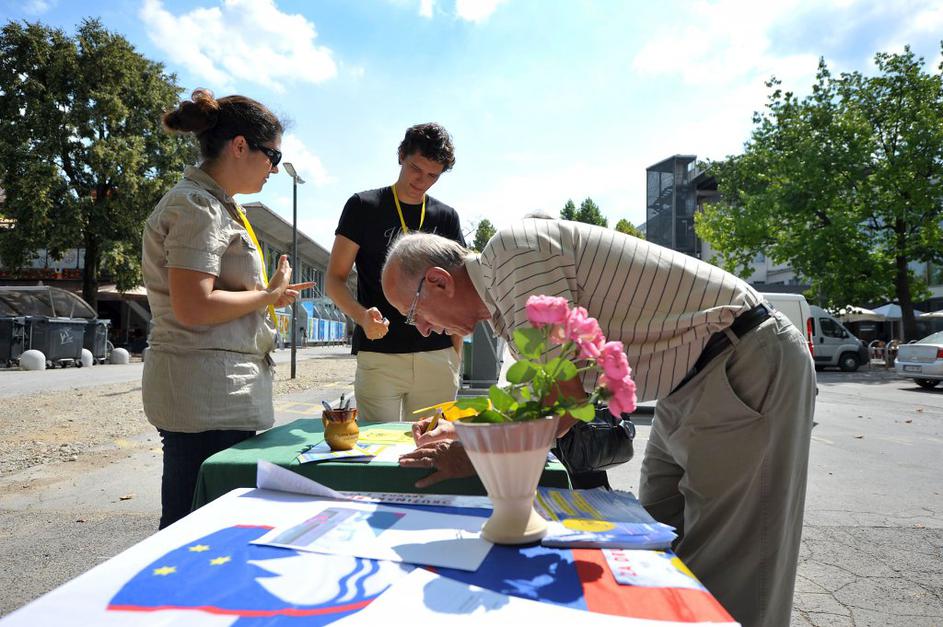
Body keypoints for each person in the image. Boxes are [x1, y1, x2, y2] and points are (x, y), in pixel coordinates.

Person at [381, 219, 816, 627]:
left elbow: (563, 403)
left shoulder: (510, 255)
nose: (420, 330)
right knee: (652, 550)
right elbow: (544, 392)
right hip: (685, 381)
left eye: (413, 311)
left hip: (739, 359)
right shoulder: (503, 296)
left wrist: (475, 452)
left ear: (439, 280)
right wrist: (464, 431)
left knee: (730, 577)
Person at [142, 89, 312, 529]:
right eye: (272, 155)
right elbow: (194, 306)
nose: (275, 168)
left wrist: (266, 295)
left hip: (216, 391)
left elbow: (212, 294)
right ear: (240, 146)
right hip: (205, 395)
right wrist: (267, 296)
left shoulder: (216, 204)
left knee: (207, 521)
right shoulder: (196, 206)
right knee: (192, 526)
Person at [325, 123, 466, 423]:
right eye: (416, 168)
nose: (422, 181)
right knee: (377, 454)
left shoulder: (447, 216)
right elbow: (334, 279)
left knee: (432, 454)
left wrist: (455, 355)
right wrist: (362, 317)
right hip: (380, 356)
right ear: (401, 155)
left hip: (436, 357)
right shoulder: (363, 206)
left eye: (433, 175)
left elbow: (461, 289)